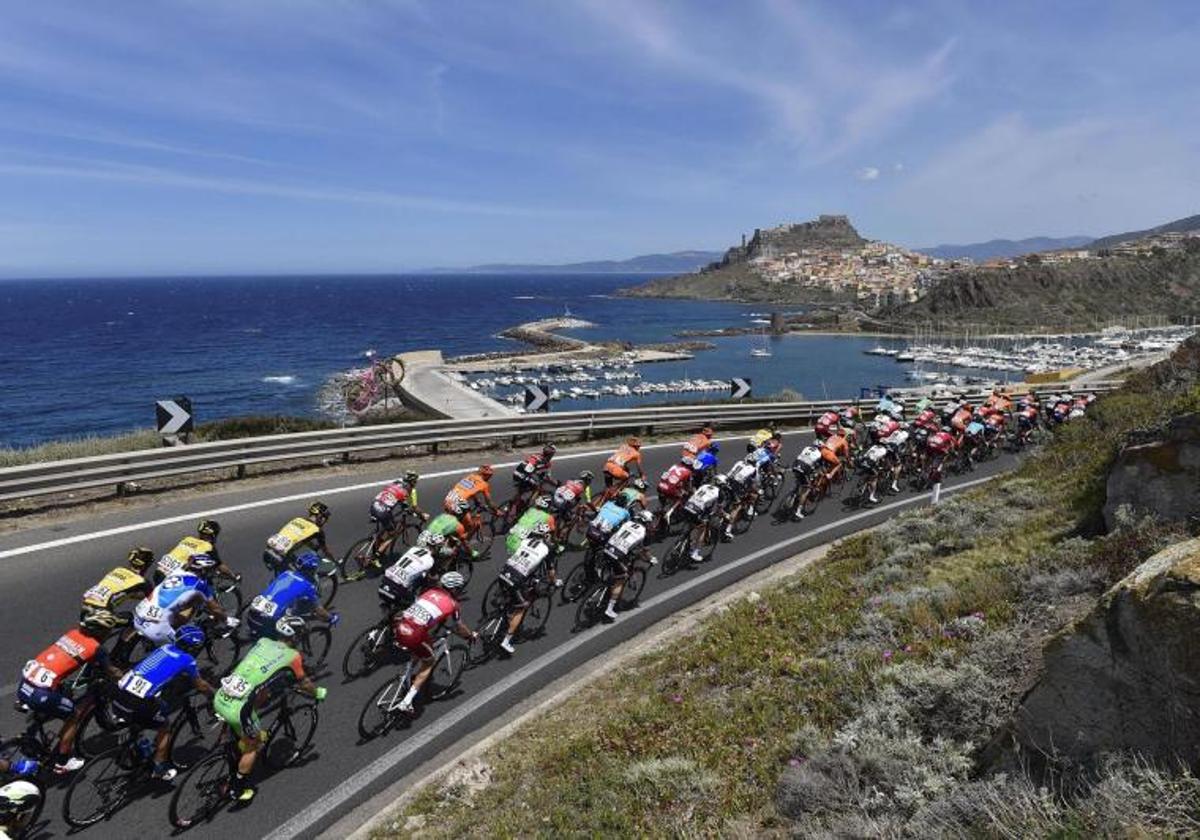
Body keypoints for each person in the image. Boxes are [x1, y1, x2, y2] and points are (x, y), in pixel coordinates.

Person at [212, 623, 327, 802]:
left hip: (220, 695)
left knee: (257, 700)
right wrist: (317, 692)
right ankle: (237, 789)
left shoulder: (263, 641)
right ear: (295, 638)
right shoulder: (293, 656)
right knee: (254, 744)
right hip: (237, 710)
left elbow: (259, 674)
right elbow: (304, 683)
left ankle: (231, 742)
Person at [16, 610, 123, 774]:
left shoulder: (71, 633)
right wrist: (125, 677)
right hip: (40, 694)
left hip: (25, 683)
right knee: (74, 716)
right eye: (108, 631)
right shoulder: (96, 648)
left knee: (64, 690)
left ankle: (37, 721)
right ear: (100, 631)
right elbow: (111, 671)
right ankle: (62, 762)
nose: (109, 633)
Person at [109, 623, 214, 781]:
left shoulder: (163, 649)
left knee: (152, 710)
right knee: (165, 726)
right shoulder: (187, 660)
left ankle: (134, 739)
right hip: (137, 702)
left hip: (118, 693)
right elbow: (201, 684)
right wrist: (213, 695)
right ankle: (159, 766)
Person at [391, 572, 477, 713]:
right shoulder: (453, 604)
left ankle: (406, 674)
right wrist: (469, 636)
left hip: (400, 626)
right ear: (454, 589)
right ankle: (407, 701)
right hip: (414, 635)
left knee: (422, 646)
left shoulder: (429, 591)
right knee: (429, 661)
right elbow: (458, 627)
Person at [127, 555, 236, 650]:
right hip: (156, 629)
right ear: (203, 571)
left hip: (138, 615)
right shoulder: (200, 585)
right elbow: (216, 610)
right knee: (185, 649)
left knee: (178, 615)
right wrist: (227, 620)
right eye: (209, 570)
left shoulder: (176, 572)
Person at [496, 523, 561, 654]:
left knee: (512, 594)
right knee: (522, 606)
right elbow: (550, 571)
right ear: (546, 536)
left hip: (505, 572)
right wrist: (554, 582)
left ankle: (504, 611)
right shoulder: (547, 549)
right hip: (517, 578)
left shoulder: (525, 541)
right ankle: (506, 640)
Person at [245, 553, 339, 640]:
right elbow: (319, 611)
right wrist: (331, 618)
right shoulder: (308, 586)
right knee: (287, 641)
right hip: (267, 623)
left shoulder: (286, 573)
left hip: (252, 614)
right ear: (312, 571)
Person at [597, 510, 656, 621]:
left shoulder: (628, 523)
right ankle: (609, 609)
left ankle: (606, 581)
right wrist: (651, 559)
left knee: (616, 566)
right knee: (622, 578)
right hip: (618, 554)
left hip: (608, 548)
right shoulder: (644, 532)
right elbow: (645, 552)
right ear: (646, 522)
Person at [81, 546, 154, 621]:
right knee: (133, 619)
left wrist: (131, 595)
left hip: (86, 604)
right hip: (102, 612)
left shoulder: (117, 570)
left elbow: (119, 590)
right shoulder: (141, 581)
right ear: (147, 564)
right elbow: (154, 600)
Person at [155, 520, 237, 583]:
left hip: (159, 572)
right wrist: (233, 576)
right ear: (213, 535)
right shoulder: (207, 547)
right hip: (172, 577)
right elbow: (220, 566)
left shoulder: (188, 539)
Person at [264, 503, 334, 574]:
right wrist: (334, 561)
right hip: (280, 557)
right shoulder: (317, 530)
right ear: (320, 516)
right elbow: (325, 551)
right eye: (325, 518)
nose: (325, 521)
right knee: (306, 577)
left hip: (268, 551)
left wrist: (312, 546)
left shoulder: (297, 519)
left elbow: (298, 537)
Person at [377, 544, 440, 615]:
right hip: (396, 592)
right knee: (416, 604)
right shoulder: (430, 560)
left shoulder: (413, 549)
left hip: (382, 585)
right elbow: (433, 576)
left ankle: (387, 604)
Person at [682, 475, 733, 563]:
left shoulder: (704, 485)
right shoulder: (720, 493)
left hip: (687, 506)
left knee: (692, 524)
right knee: (703, 528)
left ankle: (685, 540)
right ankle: (695, 552)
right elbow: (719, 510)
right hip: (697, 510)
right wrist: (725, 515)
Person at [443, 466, 499, 539]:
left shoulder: (470, 476)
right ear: (486, 475)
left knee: (458, 521)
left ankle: (451, 537)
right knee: (470, 527)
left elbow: (469, 489)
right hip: (459, 502)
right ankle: (461, 544)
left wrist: (476, 501)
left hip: (449, 497)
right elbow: (489, 502)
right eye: (490, 476)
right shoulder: (484, 484)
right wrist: (496, 511)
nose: (490, 478)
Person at [722, 454, 762, 539]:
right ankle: (728, 530)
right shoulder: (753, 469)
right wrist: (756, 491)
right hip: (736, 486)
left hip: (726, 482)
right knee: (738, 506)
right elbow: (755, 483)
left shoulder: (739, 462)